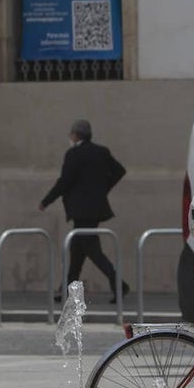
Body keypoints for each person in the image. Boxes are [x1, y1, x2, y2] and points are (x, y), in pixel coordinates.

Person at [39, 119, 129, 303]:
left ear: (75, 135)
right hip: (95, 209)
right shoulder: (101, 152)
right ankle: (67, 289)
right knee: (77, 251)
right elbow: (119, 170)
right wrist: (103, 189)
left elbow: (64, 182)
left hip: (81, 210)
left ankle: (119, 285)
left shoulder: (74, 154)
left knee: (92, 250)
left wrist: (46, 201)